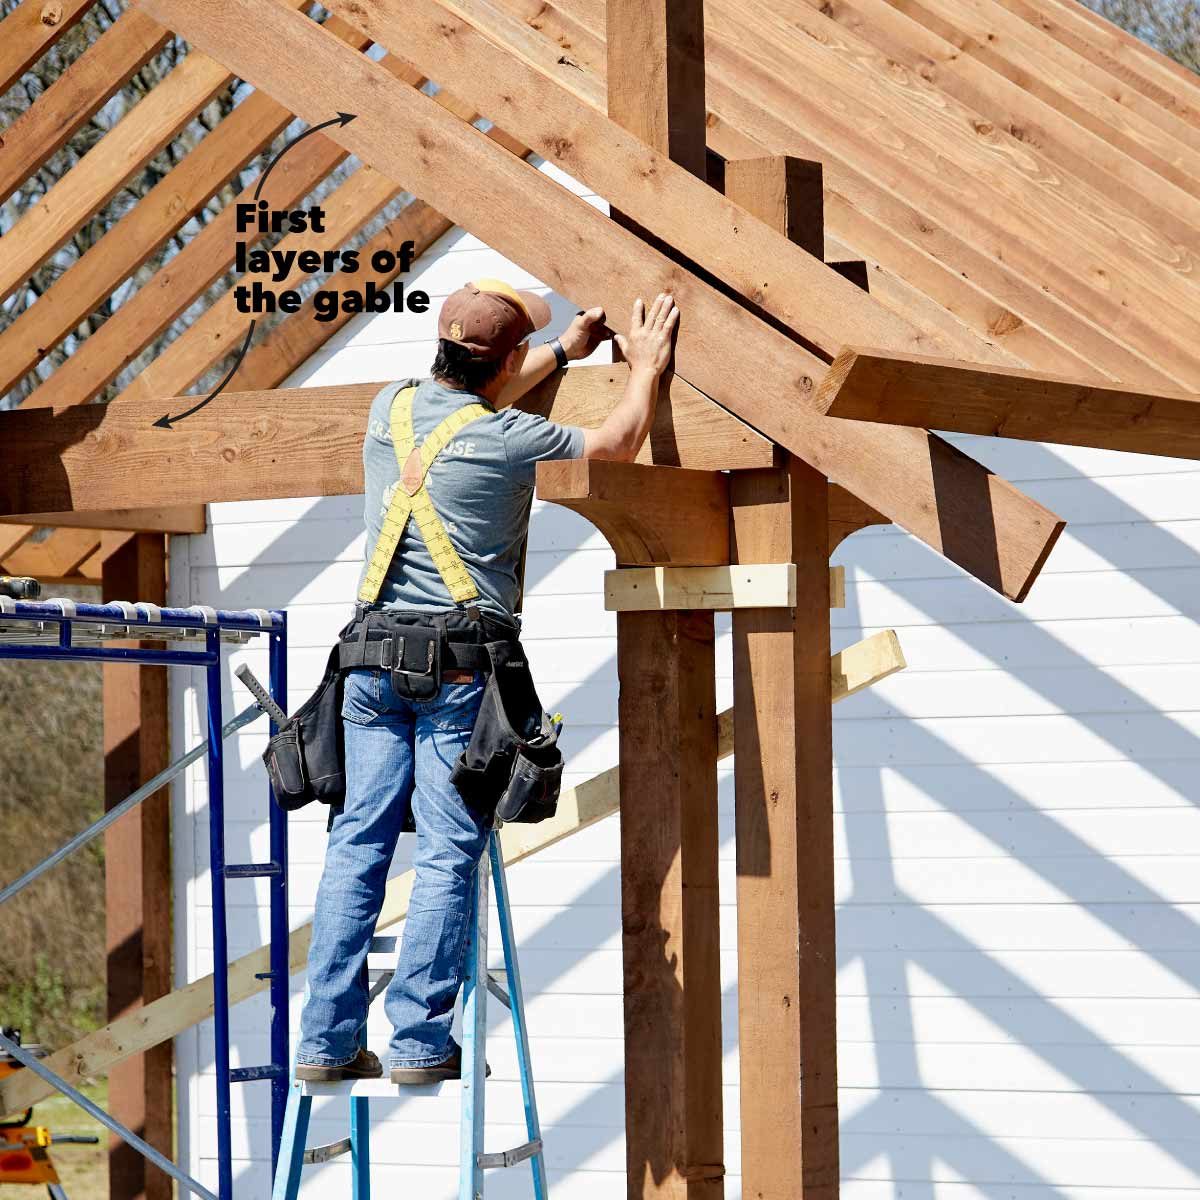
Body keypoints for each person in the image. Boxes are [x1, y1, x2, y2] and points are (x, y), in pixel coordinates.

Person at [295, 279, 679, 1084]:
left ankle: (325, 1043)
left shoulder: (386, 409)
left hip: (366, 665)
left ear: (442, 345)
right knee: (445, 850)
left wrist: (558, 353)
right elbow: (613, 445)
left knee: (357, 845)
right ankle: (418, 1043)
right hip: (454, 671)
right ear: (505, 363)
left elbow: (475, 397)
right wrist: (642, 367)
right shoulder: (510, 439)